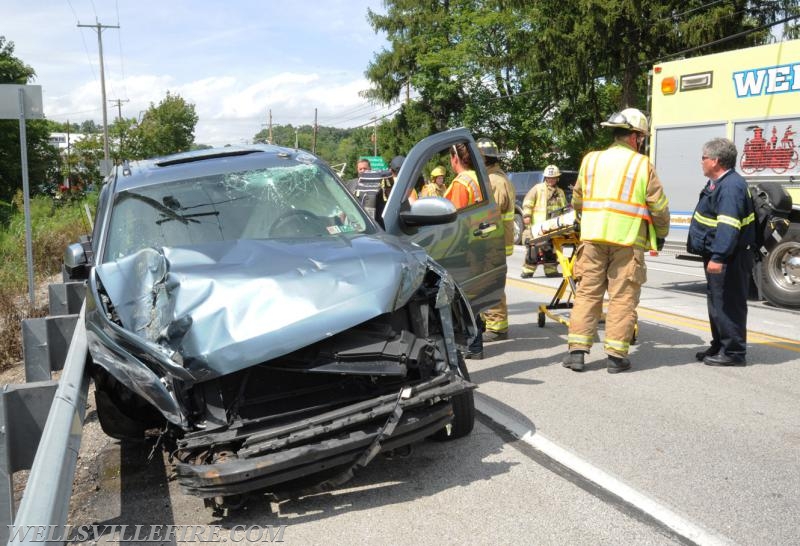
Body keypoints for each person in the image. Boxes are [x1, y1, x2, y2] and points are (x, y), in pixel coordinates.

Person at [562, 108, 670, 374]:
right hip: (627, 240)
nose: (642, 142)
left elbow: (577, 200)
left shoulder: (591, 160)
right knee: (622, 298)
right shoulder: (642, 164)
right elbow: (658, 206)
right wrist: (662, 233)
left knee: (587, 293)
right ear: (635, 137)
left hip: (592, 239)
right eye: (642, 137)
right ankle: (616, 357)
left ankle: (577, 352)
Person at [687, 138, 755, 366]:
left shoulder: (731, 187)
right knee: (717, 302)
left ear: (715, 161)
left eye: (704, 158)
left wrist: (719, 257)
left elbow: (729, 225)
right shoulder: (720, 183)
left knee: (729, 303)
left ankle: (734, 353)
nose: (701, 161)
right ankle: (720, 345)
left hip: (730, 257)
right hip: (721, 254)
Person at [476, 138, 516, 342]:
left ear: (483, 158)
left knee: (492, 282)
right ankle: (491, 322)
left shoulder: (494, 180)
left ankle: (497, 327)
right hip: (496, 238)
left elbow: (492, 212)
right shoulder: (494, 177)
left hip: (494, 240)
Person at [520, 165, 567, 278]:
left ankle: (550, 270)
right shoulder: (538, 188)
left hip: (553, 226)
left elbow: (564, 208)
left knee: (550, 248)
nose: (551, 180)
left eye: (553, 178)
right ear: (545, 178)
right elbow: (528, 202)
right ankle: (528, 271)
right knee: (534, 248)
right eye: (549, 178)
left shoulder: (560, 192)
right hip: (539, 226)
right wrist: (527, 215)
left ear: (557, 178)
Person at [444, 143, 483, 208]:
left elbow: (458, 216)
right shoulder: (477, 175)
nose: (450, 161)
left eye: (451, 157)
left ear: (455, 158)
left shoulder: (460, 183)